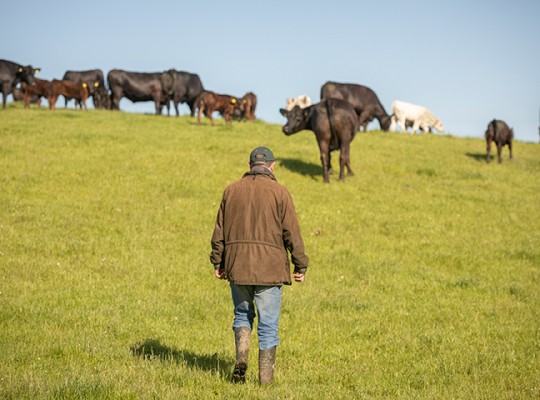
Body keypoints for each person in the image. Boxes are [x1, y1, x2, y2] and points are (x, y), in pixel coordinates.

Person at [210, 146, 309, 385]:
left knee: (242, 315)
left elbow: (219, 231)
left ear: (249, 166)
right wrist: (300, 265)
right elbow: (291, 233)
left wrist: (218, 261)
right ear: (272, 166)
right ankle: (265, 381)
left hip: (238, 266)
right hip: (270, 269)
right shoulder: (280, 192)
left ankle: (241, 358)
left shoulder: (231, 190)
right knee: (268, 325)